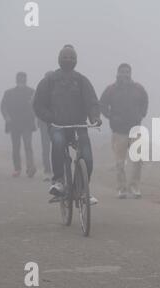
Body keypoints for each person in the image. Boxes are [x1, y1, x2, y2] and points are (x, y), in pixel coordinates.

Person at [32, 45, 102, 204]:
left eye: (71, 57)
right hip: (58, 126)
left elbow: (92, 102)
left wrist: (95, 117)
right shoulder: (49, 81)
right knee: (57, 142)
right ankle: (59, 182)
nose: (68, 59)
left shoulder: (82, 80)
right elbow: (38, 104)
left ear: (76, 60)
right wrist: (51, 117)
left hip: (79, 126)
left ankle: (83, 190)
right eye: (65, 57)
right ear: (59, 59)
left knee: (87, 156)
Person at [100, 63, 148, 199]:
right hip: (118, 131)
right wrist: (111, 116)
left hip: (135, 129)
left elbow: (145, 100)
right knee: (120, 162)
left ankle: (135, 186)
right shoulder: (111, 89)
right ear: (118, 73)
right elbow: (102, 104)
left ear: (130, 73)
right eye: (122, 72)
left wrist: (142, 114)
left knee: (138, 159)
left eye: (127, 72)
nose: (125, 74)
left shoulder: (138, 88)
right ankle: (121, 188)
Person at [1, 72, 37, 178]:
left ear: (25, 80)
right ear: (17, 80)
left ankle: (30, 168)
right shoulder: (9, 93)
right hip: (14, 124)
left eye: (23, 79)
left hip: (27, 124)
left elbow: (36, 107)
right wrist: (6, 116)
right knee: (16, 147)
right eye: (20, 79)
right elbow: (3, 107)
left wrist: (34, 114)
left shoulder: (32, 92)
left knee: (27, 146)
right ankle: (17, 169)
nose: (21, 81)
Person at [37, 71, 54, 182]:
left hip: (57, 122)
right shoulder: (40, 90)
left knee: (57, 147)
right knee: (46, 148)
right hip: (44, 123)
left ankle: (56, 171)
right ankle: (47, 171)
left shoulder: (60, 89)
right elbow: (35, 105)